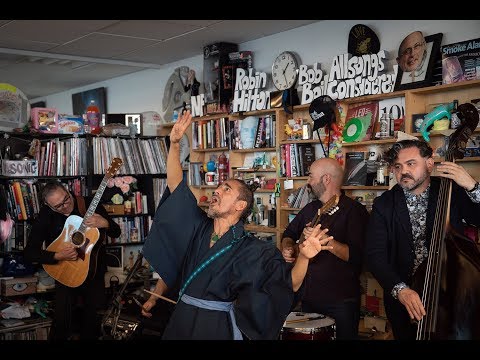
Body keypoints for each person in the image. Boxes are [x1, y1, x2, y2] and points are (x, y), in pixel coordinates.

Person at [141, 110, 330, 340]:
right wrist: (175, 143)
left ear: (240, 205)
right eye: (218, 187)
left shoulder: (255, 250)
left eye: (226, 189)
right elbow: (176, 185)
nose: (217, 191)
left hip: (215, 328)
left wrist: (304, 257)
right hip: (180, 321)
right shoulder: (198, 228)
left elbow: (287, 285)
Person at [365, 139, 480, 339]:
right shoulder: (383, 204)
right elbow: (375, 256)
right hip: (405, 299)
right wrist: (400, 290)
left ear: (429, 163)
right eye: (398, 167)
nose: (403, 172)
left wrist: (472, 186)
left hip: (453, 292)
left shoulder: (451, 190)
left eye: (411, 164)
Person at [280, 157, 370, 340]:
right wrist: (288, 249)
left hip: (341, 302)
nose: (308, 182)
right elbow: (288, 234)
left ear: (326, 179)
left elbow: (358, 257)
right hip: (308, 297)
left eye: (311, 177)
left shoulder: (355, 211)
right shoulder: (311, 208)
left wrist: (327, 242)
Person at [24, 181, 121, 340]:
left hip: (93, 273)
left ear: (68, 191)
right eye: (58, 206)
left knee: (93, 321)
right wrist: (57, 256)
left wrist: (105, 223)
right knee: (62, 322)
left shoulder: (89, 204)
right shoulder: (46, 215)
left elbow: (116, 232)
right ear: (49, 206)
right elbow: (29, 253)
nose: (65, 206)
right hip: (65, 272)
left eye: (67, 199)